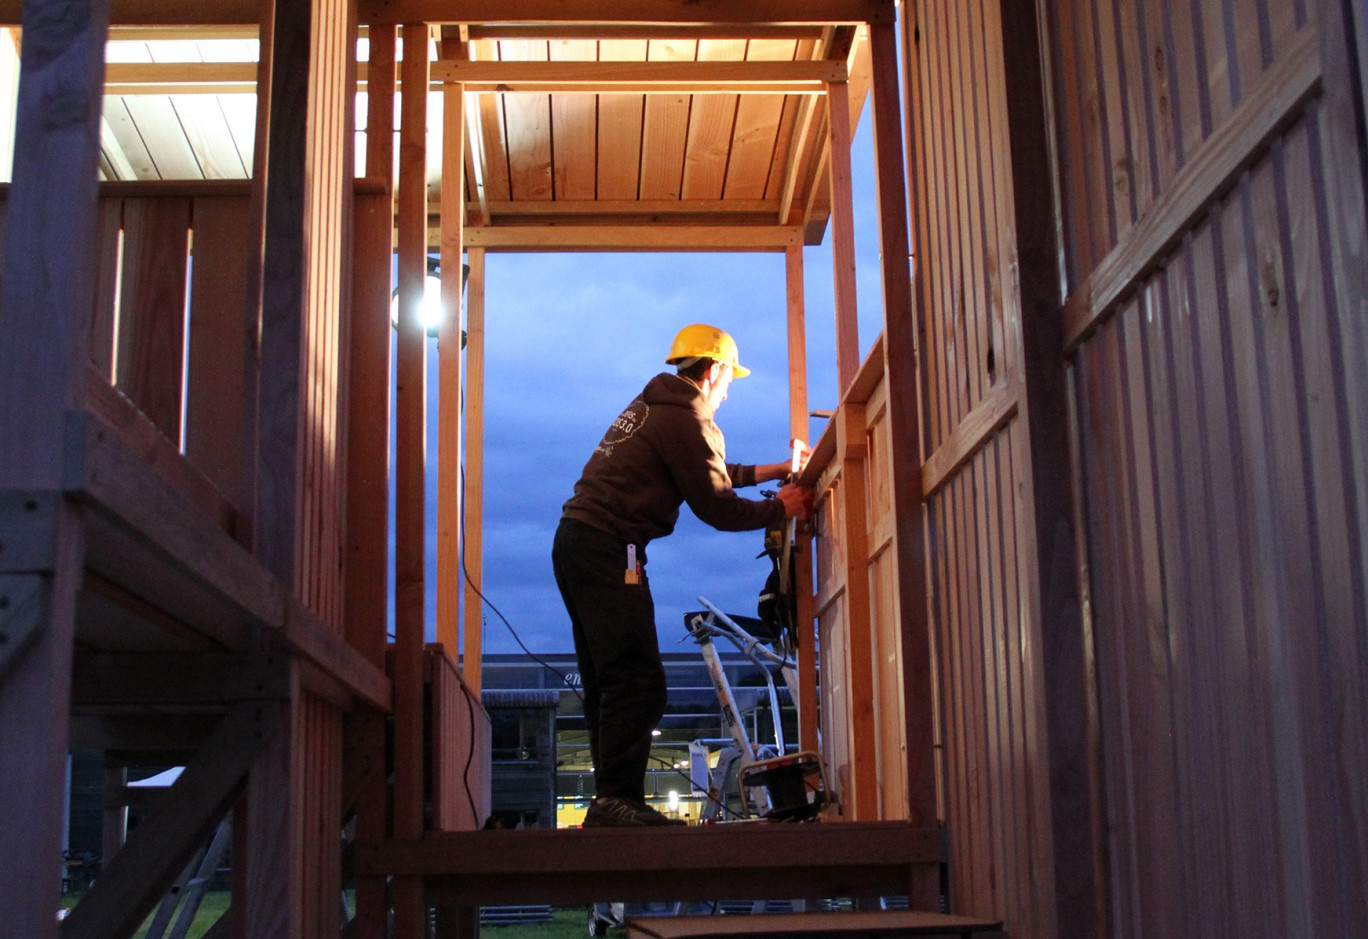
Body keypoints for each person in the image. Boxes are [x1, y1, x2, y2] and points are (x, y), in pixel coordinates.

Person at [553, 323, 811, 828]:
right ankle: (617, 801)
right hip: (610, 549)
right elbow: (715, 505)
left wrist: (772, 470)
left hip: (578, 543)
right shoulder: (687, 416)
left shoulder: (657, 405)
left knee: (610, 681)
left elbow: (704, 467)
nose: (728, 393)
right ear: (712, 371)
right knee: (638, 682)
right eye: (729, 382)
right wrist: (781, 508)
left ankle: (611, 801)